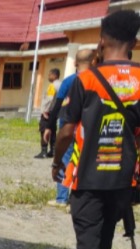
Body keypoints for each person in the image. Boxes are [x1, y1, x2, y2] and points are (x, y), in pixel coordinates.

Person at [52, 10, 140, 249]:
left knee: (88, 241)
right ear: (134, 42)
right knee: (103, 236)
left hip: (87, 175)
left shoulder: (86, 80)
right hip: (123, 178)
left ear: (102, 40)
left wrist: (56, 161)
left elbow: (66, 130)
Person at [46, 50, 96, 207]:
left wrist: (49, 127)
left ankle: (61, 198)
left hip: (67, 124)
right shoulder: (97, 80)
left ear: (75, 63)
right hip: (88, 126)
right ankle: (80, 199)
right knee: (86, 160)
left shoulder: (68, 81)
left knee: (65, 159)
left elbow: (57, 105)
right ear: (93, 62)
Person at [35, 68, 61, 158]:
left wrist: (45, 110)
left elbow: (49, 99)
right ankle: (53, 150)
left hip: (48, 111)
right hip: (55, 112)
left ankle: (44, 150)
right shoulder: (60, 85)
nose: (48, 76)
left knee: (44, 130)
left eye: (50, 75)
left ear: (55, 75)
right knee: (53, 131)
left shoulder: (52, 86)